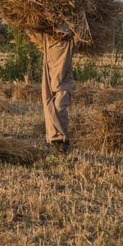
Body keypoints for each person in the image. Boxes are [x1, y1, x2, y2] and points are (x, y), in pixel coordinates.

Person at [35, 24, 74, 153]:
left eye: (62, 33)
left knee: (60, 107)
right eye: (57, 32)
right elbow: (33, 32)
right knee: (48, 105)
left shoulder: (70, 42)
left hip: (63, 82)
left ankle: (62, 139)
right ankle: (56, 139)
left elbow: (81, 34)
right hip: (49, 77)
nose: (59, 35)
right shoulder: (47, 39)